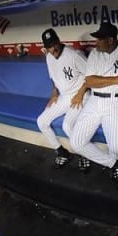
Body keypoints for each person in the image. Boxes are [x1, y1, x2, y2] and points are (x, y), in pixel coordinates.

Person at [68, 22, 118, 189]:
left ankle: (117, 168)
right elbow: (90, 81)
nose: (96, 42)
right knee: (76, 142)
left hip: (117, 102)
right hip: (94, 101)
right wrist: (115, 80)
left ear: (110, 40)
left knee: (116, 146)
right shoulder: (95, 54)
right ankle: (116, 165)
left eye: (100, 39)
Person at [36, 29, 88, 169]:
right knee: (41, 121)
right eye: (48, 47)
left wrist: (80, 94)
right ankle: (61, 151)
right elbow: (53, 77)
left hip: (80, 94)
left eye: (53, 45)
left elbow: (91, 76)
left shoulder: (74, 55)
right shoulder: (49, 57)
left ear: (58, 40)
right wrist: (54, 92)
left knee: (67, 125)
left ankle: (84, 154)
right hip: (64, 96)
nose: (52, 49)